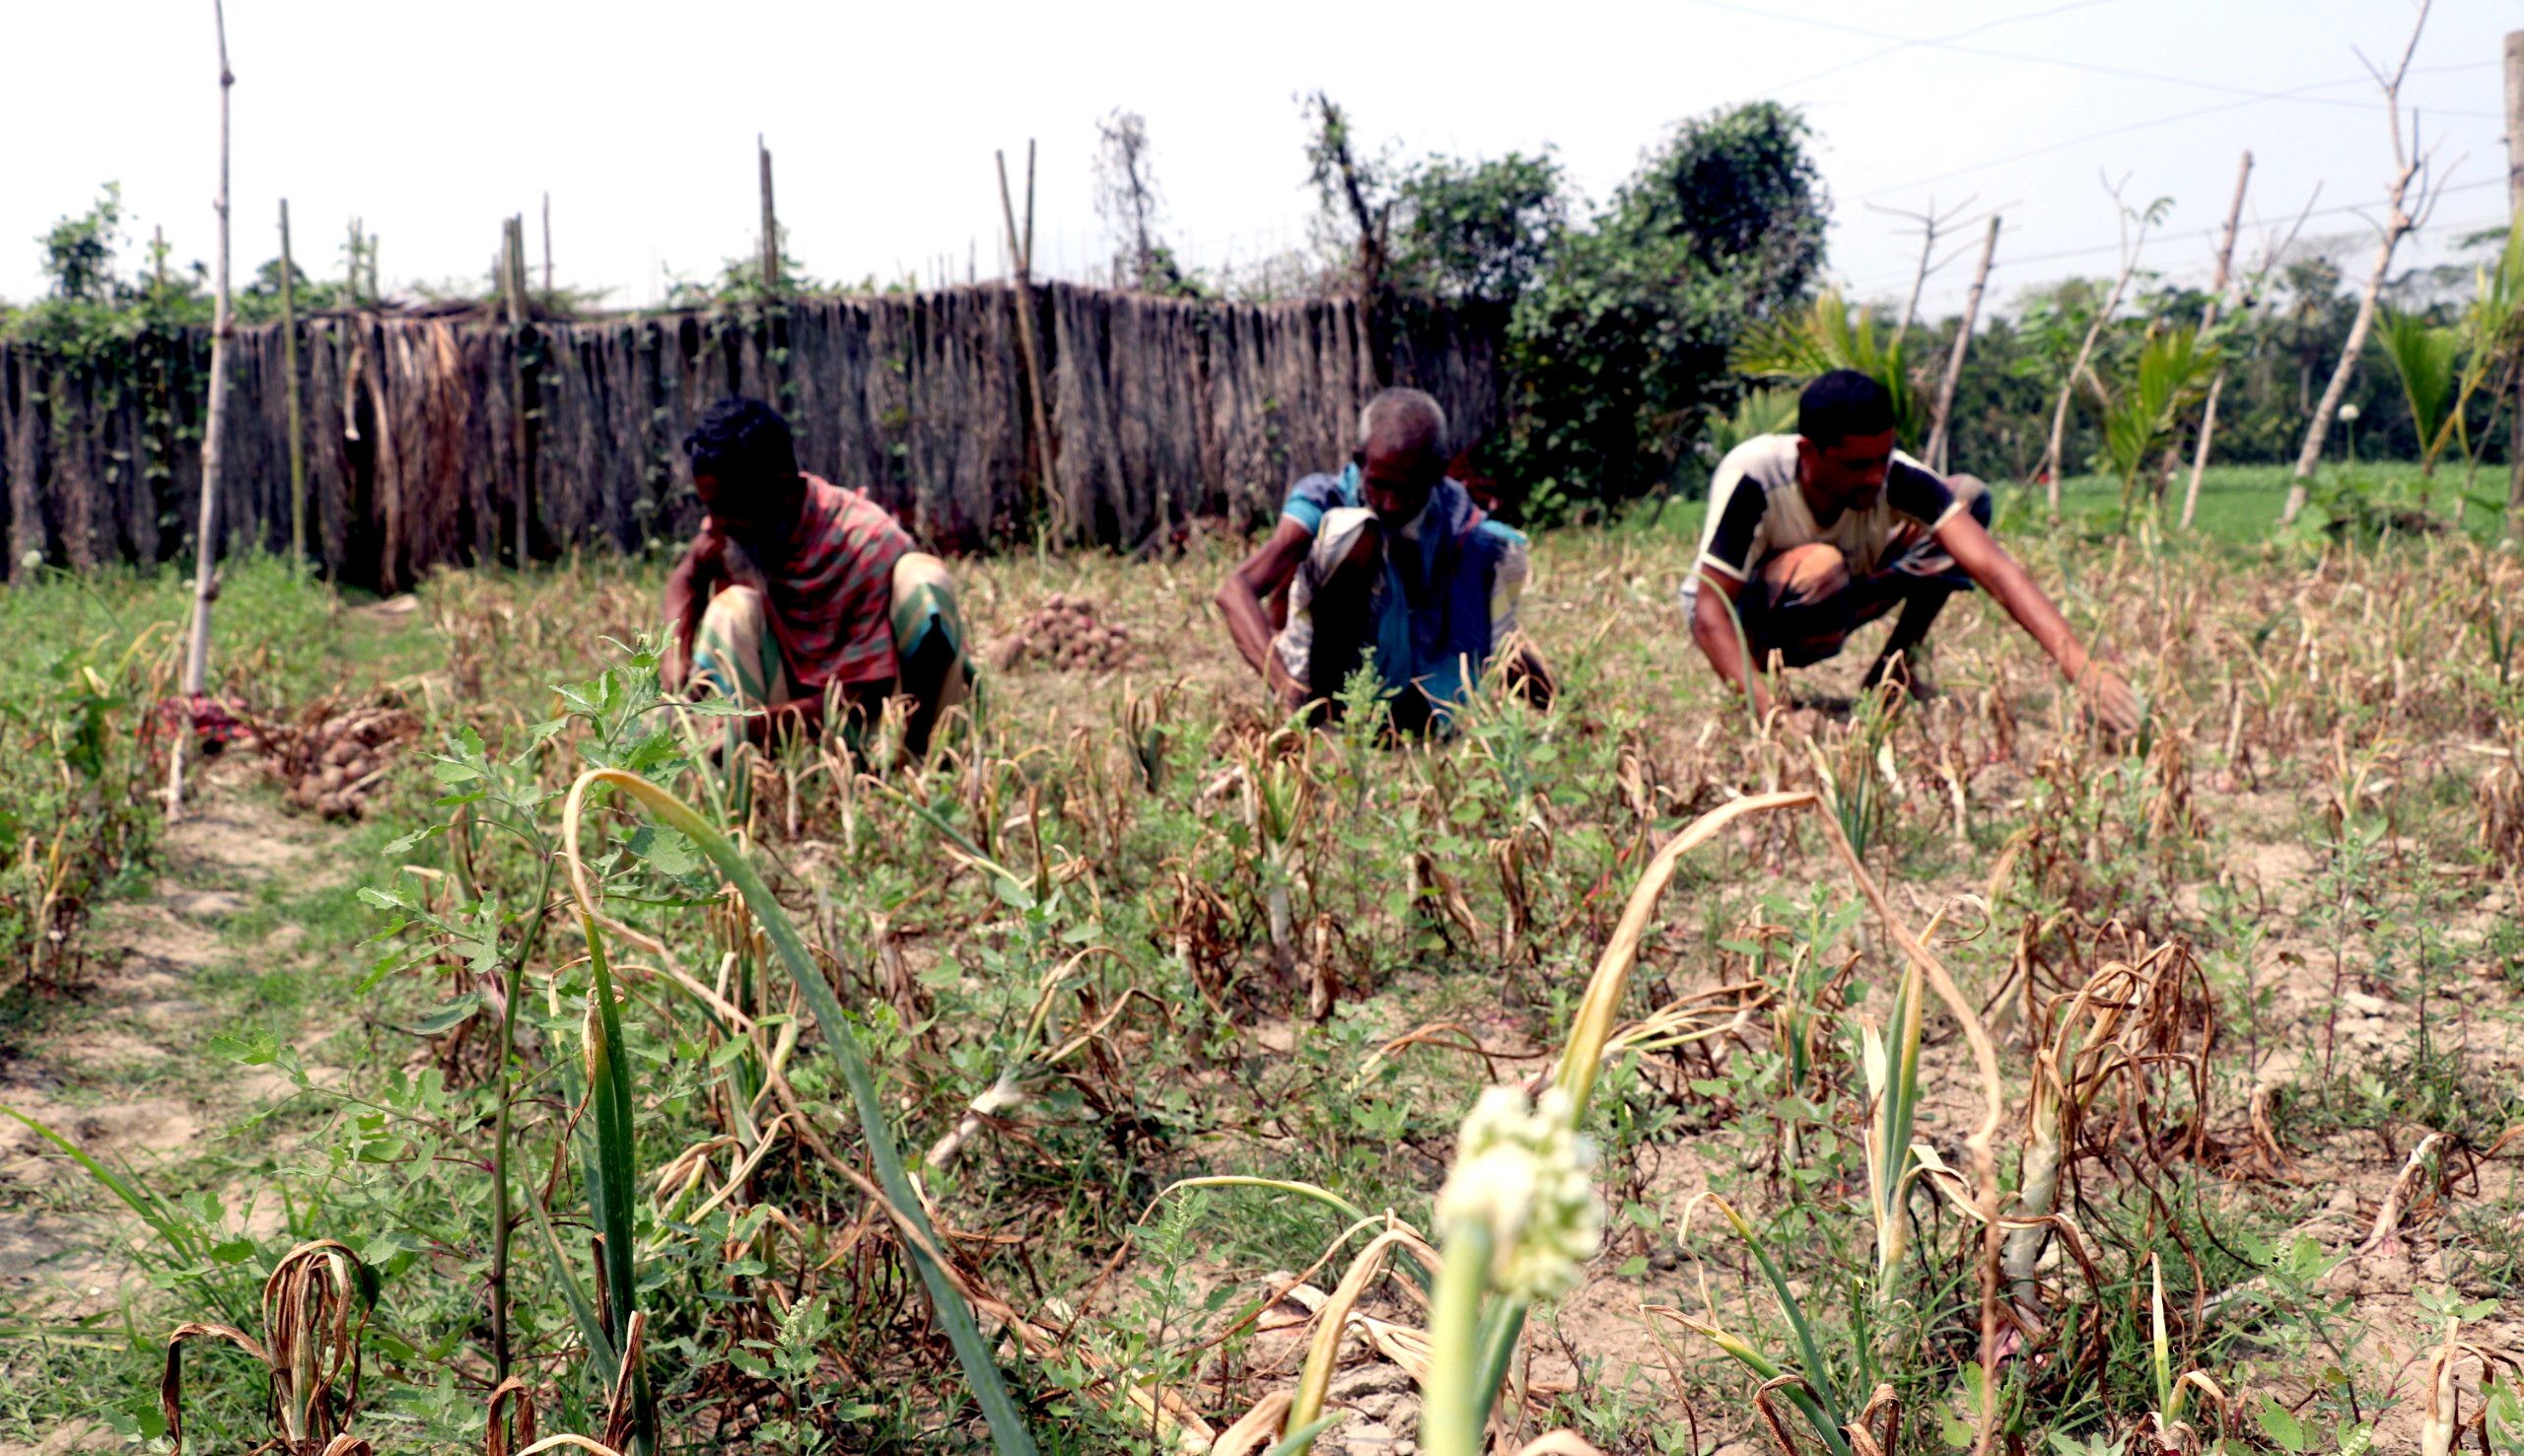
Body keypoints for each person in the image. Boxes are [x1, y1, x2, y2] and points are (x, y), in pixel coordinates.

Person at [1683, 370, 2138, 732]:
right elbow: (1708, 610)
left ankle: (1891, 674)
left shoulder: (1895, 477)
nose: (1874, 477)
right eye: (1857, 465)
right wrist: (1774, 718)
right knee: (1821, 569)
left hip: (1843, 595)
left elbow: (1994, 568)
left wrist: (2079, 663)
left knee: (1967, 497)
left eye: (1883, 459)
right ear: (1809, 452)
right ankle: (1758, 683)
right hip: (1749, 619)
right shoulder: (1755, 477)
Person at [1217, 387, 1552, 732]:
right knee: (1348, 533)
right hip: (1326, 684)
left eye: (1407, 490)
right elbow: (1235, 590)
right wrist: (1287, 688)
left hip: (1412, 699)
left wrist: (1556, 704)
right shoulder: (1324, 498)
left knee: (1499, 547)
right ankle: (1321, 709)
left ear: (1437, 473)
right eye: (1379, 485)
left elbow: (1498, 643)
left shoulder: (1461, 526)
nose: (1390, 503)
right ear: (1359, 461)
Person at [661, 397, 973, 758]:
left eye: (727, 508)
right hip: (791, 716)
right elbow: (689, 574)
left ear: (778, 489)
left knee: (924, 579)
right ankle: (747, 792)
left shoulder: (864, 542)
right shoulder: (733, 528)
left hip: (883, 714)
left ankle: (922, 765)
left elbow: (864, 693)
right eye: (710, 508)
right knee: (728, 612)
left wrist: (763, 724)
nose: (715, 524)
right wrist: (675, 656)